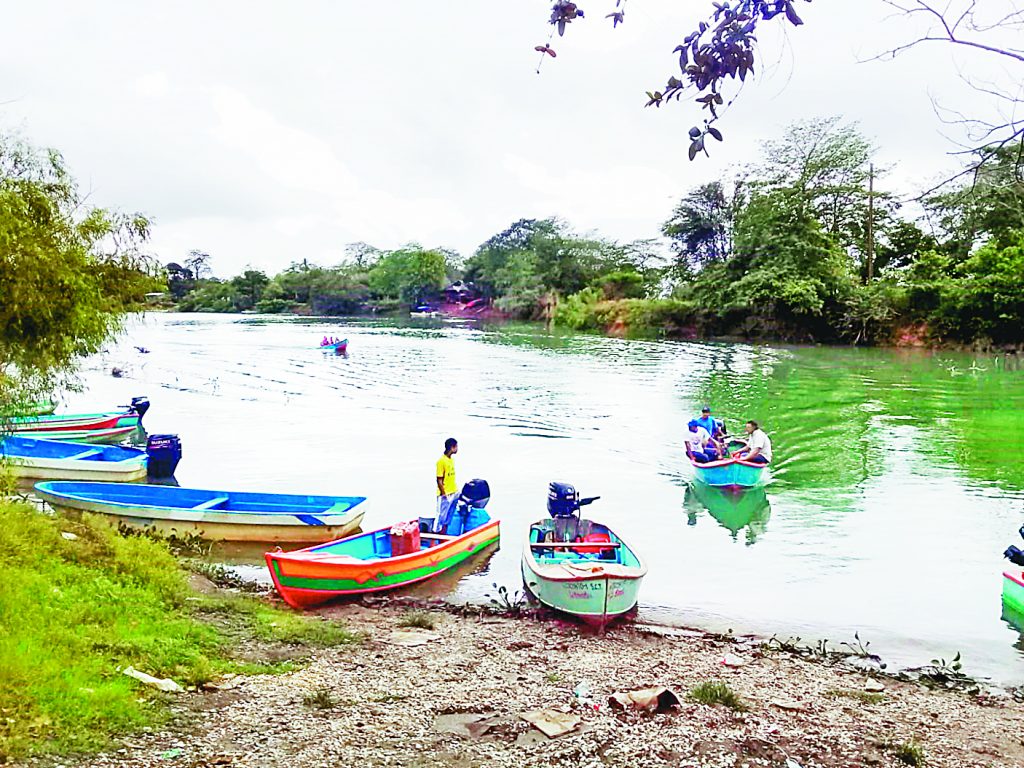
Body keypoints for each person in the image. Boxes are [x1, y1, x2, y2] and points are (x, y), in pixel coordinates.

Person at [434, 437, 459, 533]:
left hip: (453, 491)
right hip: (445, 494)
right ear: (452, 447)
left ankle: (444, 534)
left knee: (449, 516)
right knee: (440, 516)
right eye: (456, 447)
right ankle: (435, 536)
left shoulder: (451, 460)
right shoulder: (441, 461)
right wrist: (444, 493)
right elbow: (439, 479)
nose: (457, 449)